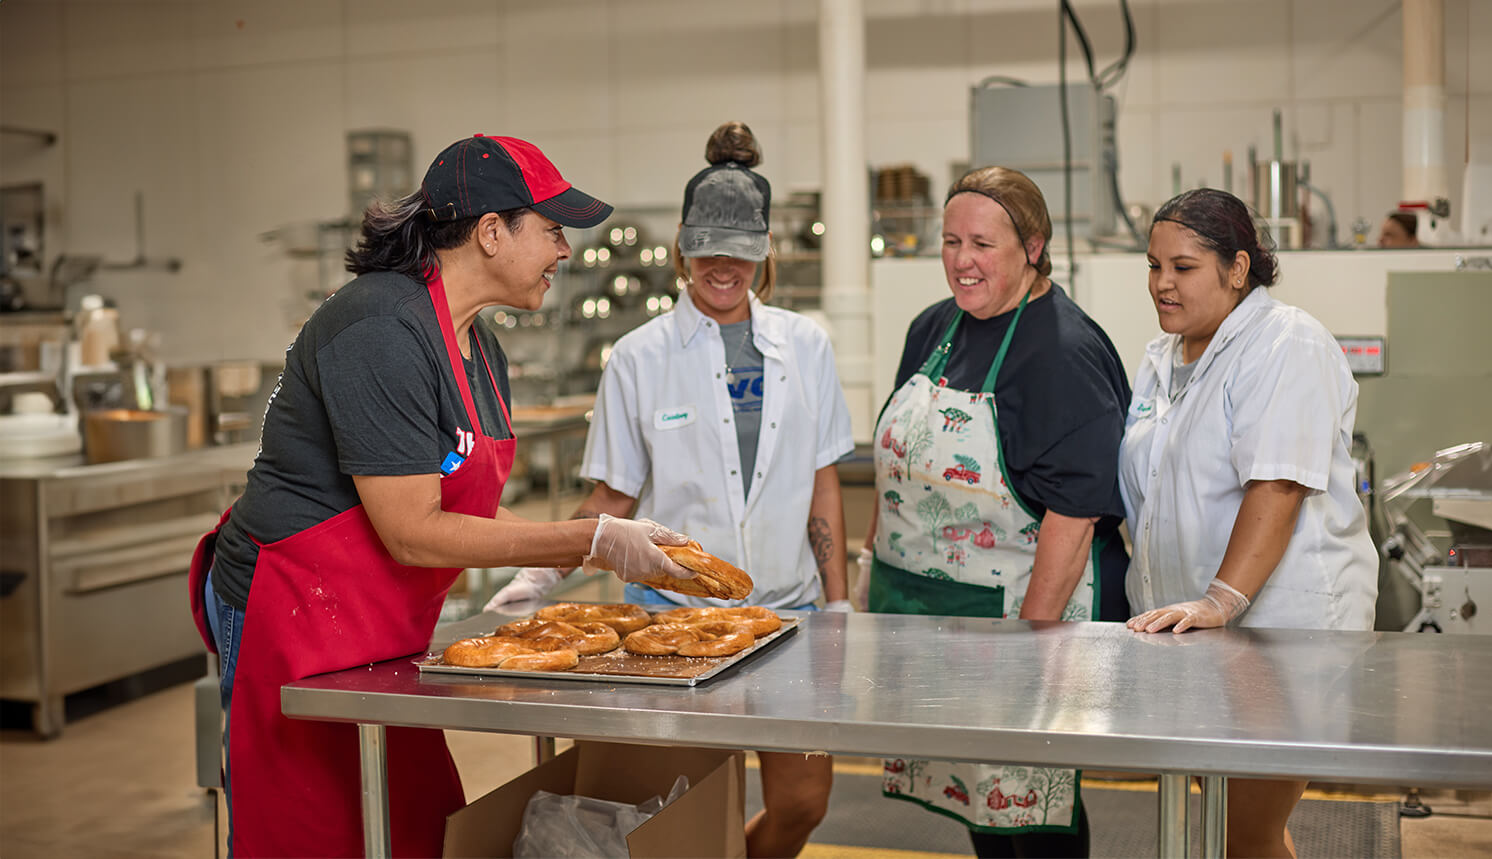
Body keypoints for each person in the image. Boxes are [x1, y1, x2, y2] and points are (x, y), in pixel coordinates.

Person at [185, 134, 700, 858]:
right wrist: (587, 540)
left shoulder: (479, 347)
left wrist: (552, 563)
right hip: (292, 607)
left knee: (413, 819)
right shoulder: (380, 328)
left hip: (379, 629)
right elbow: (410, 531)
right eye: (552, 230)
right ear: (492, 232)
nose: (565, 252)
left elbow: (467, 506)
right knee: (308, 826)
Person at [485, 121, 852, 858]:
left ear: (764, 250)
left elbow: (824, 484)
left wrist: (839, 603)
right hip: (674, 626)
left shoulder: (806, 345)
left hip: (791, 615)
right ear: (683, 247)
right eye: (707, 248)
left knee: (804, 802)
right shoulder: (638, 358)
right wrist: (534, 576)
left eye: (741, 250)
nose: (723, 266)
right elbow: (611, 498)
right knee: (688, 816)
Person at [865, 166, 1131, 858]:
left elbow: (1073, 527)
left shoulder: (1064, 354)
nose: (961, 260)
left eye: (982, 243)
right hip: (928, 612)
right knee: (978, 797)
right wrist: (870, 584)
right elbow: (895, 465)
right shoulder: (935, 328)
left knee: (1030, 803)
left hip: (1019, 616)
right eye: (951, 241)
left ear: (1033, 247)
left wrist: (1027, 652)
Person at [1117, 187, 1379, 858]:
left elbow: (1280, 483)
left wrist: (1220, 598)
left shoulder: (1285, 342)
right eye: (1153, 266)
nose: (1161, 283)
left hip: (1277, 629)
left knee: (1243, 830)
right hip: (1197, 633)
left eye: (1183, 267)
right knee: (1229, 825)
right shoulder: (1163, 359)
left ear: (1238, 268)